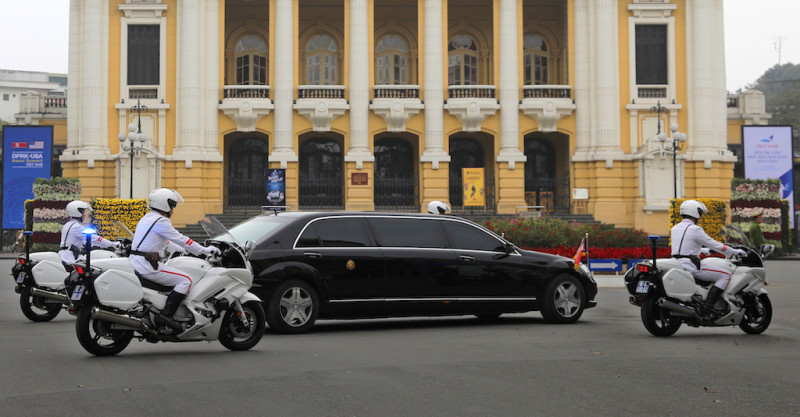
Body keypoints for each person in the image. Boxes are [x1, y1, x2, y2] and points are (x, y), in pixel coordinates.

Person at [129, 188, 220, 332]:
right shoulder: (161, 221)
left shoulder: (148, 218)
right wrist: (203, 251)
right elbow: (181, 238)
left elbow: (163, 241)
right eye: (172, 206)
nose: (173, 210)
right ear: (165, 205)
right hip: (147, 266)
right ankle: (166, 316)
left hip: (136, 262)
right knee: (186, 280)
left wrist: (182, 250)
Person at [671, 200, 747, 316]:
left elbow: (682, 248)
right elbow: (714, 244)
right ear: (695, 212)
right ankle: (708, 306)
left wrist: (702, 250)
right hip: (690, 265)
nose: (700, 216)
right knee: (725, 275)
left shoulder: (675, 228)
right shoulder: (695, 229)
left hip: (677, 263)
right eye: (700, 213)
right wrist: (734, 251)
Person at [59, 201, 121, 271]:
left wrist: (98, 245)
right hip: (71, 258)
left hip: (66, 255)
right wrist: (112, 244)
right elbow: (94, 238)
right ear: (77, 213)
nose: (84, 215)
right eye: (83, 213)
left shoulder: (68, 224)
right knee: (93, 271)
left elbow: (85, 241)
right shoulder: (77, 227)